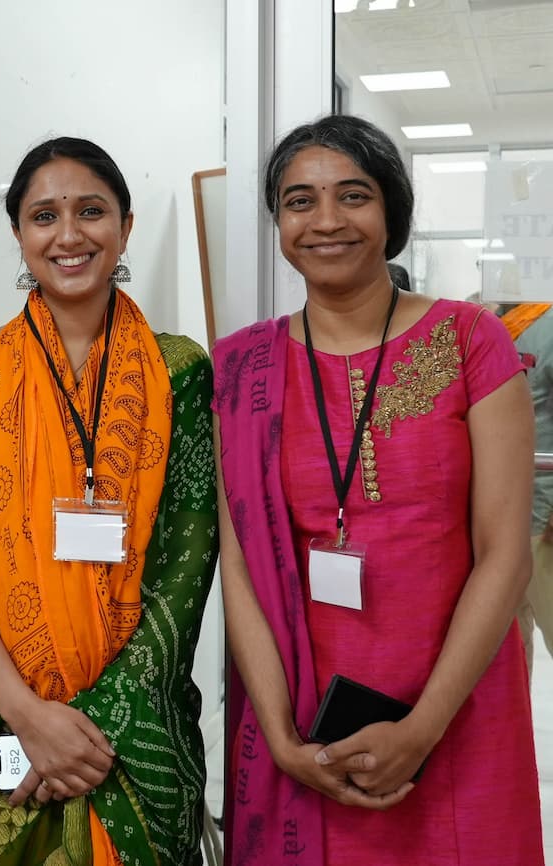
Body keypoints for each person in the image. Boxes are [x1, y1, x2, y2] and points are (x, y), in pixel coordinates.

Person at [212, 114, 542, 865]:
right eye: (299, 201)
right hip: (306, 720)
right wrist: (281, 737)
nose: (326, 220)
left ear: (392, 212)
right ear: (278, 222)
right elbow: (240, 567)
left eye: (353, 195)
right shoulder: (241, 367)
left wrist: (420, 730)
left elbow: (504, 554)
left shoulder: (469, 341)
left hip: (455, 711)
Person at [0, 137, 218, 865]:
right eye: (44, 215)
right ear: (19, 233)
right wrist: (29, 715)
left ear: (126, 227)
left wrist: (94, 722)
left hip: (135, 723)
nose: (69, 234)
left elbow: (188, 563)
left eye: (91, 211)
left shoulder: (181, 370)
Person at [504, 302, 553, 676]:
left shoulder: (547, 326)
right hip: (498, 520)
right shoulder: (491, 325)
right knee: (508, 650)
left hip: (543, 516)